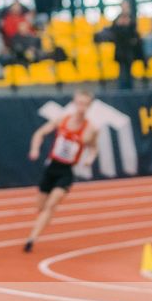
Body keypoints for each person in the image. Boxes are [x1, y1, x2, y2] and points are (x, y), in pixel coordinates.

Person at [22, 90, 97, 252]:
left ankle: (31, 239)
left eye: (85, 104)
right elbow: (40, 133)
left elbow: (93, 148)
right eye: (79, 103)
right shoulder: (63, 119)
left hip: (66, 171)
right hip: (52, 167)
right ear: (74, 103)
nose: (81, 108)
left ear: (90, 106)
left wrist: (90, 158)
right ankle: (43, 220)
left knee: (51, 205)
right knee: (40, 207)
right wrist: (35, 149)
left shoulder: (91, 129)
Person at [95, 4, 140, 90]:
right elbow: (112, 34)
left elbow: (135, 36)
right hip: (120, 53)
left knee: (129, 72)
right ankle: (122, 89)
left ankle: (130, 88)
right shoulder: (116, 24)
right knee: (122, 72)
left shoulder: (131, 23)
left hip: (129, 52)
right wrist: (119, 25)